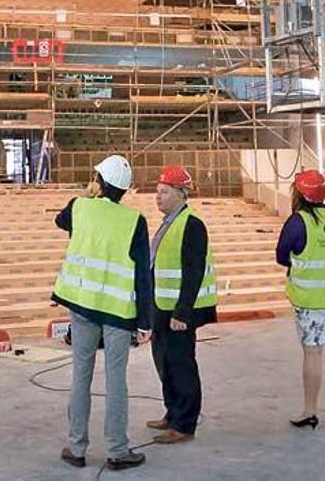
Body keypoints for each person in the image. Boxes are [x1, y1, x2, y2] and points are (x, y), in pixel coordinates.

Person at [52, 155, 152, 472]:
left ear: (98, 180)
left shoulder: (79, 207)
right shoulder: (134, 221)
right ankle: (117, 451)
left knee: (80, 377)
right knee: (116, 381)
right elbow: (142, 276)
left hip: (82, 307)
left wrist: (88, 194)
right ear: (125, 189)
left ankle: (76, 447)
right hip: (118, 313)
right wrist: (145, 321)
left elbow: (60, 221)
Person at [146, 165, 217, 444]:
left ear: (180, 193)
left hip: (178, 311)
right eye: (157, 191)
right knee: (164, 361)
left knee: (181, 364)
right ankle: (172, 412)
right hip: (161, 306)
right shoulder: (170, 223)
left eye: (164, 191)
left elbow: (193, 271)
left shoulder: (192, 224)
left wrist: (183, 312)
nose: (158, 196)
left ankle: (185, 423)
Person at [276, 169, 325, 429]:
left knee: (313, 353)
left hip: (310, 300)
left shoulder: (298, 222)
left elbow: (282, 254)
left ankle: (310, 410)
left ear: (299, 192)